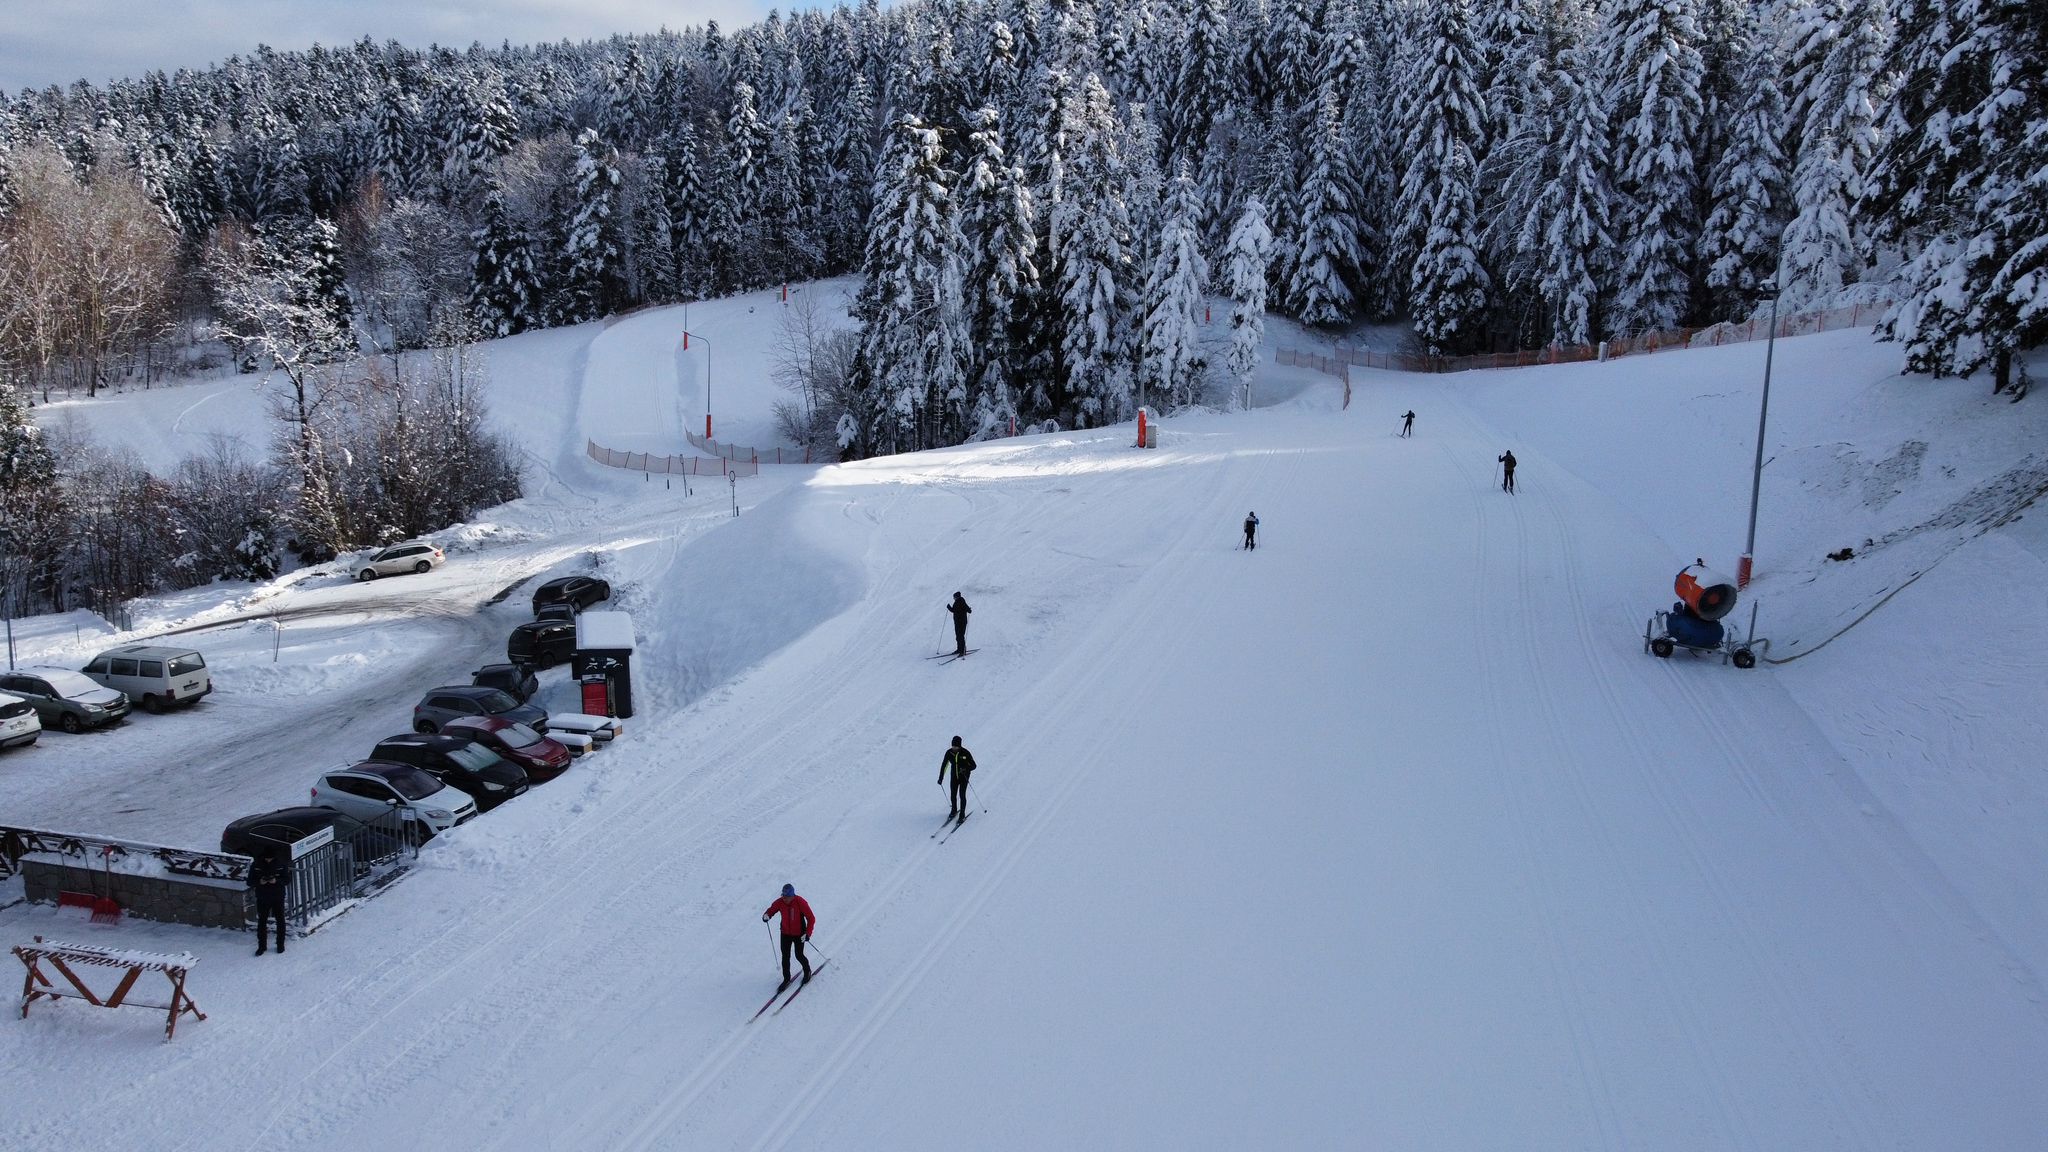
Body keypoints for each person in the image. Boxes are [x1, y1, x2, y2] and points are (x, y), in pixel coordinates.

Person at [762, 883, 815, 987]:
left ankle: (807, 971)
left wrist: (808, 933)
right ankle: (786, 979)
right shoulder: (780, 902)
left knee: (799, 955)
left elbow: (811, 918)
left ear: (792, 896)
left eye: (787, 897)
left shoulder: (800, 902)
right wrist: (767, 915)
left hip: (799, 934)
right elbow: (772, 910)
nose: (784, 899)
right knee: (785, 957)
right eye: (783, 896)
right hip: (785, 933)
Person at [249, 848, 288, 956]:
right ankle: (262, 946)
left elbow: (287, 879)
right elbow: (250, 881)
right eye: (267, 858)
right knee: (262, 922)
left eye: (270, 858)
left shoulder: (281, 864)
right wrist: (259, 882)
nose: (268, 860)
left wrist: (276, 881)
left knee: (280, 921)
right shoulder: (256, 865)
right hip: (263, 897)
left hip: (278, 896)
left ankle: (280, 944)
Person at [939, 736, 977, 821]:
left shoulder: (965, 753)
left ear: (959, 746)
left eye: (956, 747)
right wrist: (941, 777)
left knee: (962, 794)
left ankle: (962, 814)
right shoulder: (949, 753)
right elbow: (944, 765)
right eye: (953, 746)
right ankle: (954, 810)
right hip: (954, 776)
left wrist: (965, 769)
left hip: (964, 776)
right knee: (953, 794)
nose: (954, 748)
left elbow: (974, 766)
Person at [947, 592, 972, 657]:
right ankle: (959, 649)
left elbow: (954, 610)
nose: (953, 598)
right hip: (958, 622)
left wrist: (949, 607)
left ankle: (962, 650)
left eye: (954, 597)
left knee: (960, 636)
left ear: (957, 596)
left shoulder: (960, 602)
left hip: (961, 622)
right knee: (958, 636)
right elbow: (968, 610)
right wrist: (969, 609)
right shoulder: (959, 601)